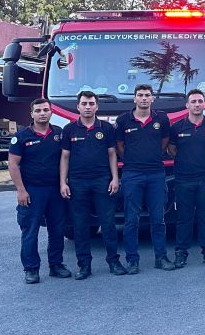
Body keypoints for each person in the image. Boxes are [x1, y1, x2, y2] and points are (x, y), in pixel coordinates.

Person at [60, 91, 124, 279]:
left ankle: (114, 262)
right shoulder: (69, 130)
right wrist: (63, 182)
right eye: (84, 104)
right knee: (80, 225)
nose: (88, 107)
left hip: (102, 181)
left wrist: (115, 178)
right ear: (78, 107)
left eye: (91, 104)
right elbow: (65, 157)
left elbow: (112, 154)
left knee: (108, 223)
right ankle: (84, 266)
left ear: (97, 106)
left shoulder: (106, 128)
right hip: (77, 183)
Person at [9, 98, 70, 284]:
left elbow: (65, 159)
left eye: (45, 110)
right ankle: (31, 269)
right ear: (32, 114)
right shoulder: (21, 137)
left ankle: (56, 265)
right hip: (32, 191)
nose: (42, 113)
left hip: (55, 190)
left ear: (51, 112)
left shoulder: (59, 134)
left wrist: (63, 183)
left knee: (57, 230)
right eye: (38, 110)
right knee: (30, 231)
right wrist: (20, 190)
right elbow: (13, 164)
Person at [116, 84, 175, 273]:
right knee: (131, 220)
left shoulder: (162, 119)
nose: (143, 98)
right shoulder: (124, 120)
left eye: (147, 95)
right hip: (132, 174)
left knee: (158, 219)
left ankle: (161, 257)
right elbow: (119, 145)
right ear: (134, 99)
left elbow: (165, 141)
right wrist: (131, 159)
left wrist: (154, 155)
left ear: (152, 99)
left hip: (156, 174)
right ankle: (132, 260)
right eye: (140, 95)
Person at [169, 89, 205, 267]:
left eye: (200, 101)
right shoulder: (177, 127)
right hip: (183, 178)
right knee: (184, 217)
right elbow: (171, 150)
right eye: (193, 101)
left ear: (204, 103)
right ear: (187, 105)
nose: (197, 104)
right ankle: (181, 253)